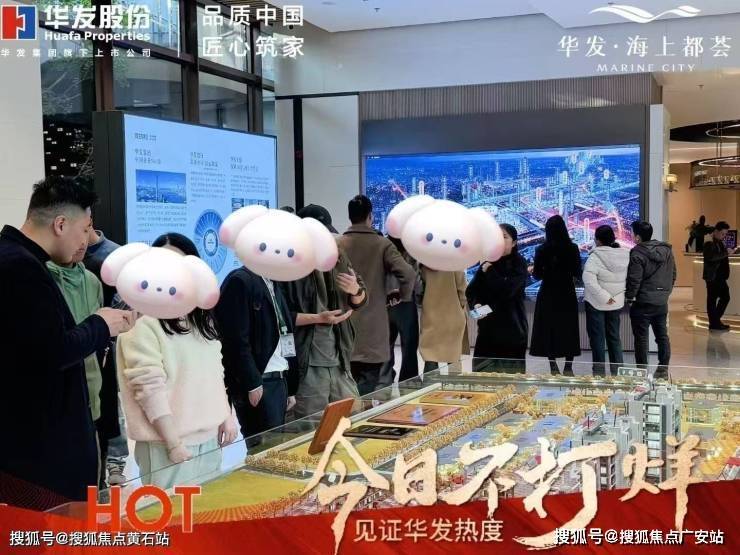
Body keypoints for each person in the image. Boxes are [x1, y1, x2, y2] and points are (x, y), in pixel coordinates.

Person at [0, 176, 133, 509]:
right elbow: (52, 350)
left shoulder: (19, 259)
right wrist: (100, 324)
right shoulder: (20, 267)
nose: (86, 240)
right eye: (84, 229)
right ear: (60, 224)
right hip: (40, 451)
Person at [116, 233, 237, 490]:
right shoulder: (143, 322)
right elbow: (149, 389)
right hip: (167, 446)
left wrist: (226, 415)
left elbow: (216, 372)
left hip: (208, 439)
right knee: (172, 513)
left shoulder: (200, 319)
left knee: (208, 510)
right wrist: (173, 443)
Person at [280, 205, 367, 418]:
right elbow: (281, 316)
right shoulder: (289, 264)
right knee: (310, 425)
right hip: (307, 361)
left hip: (340, 357)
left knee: (352, 417)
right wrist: (318, 318)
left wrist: (356, 291)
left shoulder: (338, 256)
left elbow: (361, 297)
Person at [47, 236, 109, 488]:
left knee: (89, 488)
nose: (83, 241)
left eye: (88, 229)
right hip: (54, 406)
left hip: (91, 400)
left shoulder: (92, 281)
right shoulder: (40, 279)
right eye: (80, 230)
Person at [215, 261, 299, 446]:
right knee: (264, 450)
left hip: (279, 379)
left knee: (276, 449)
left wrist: (291, 386)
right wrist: (252, 383)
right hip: (259, 383)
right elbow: (235, 338)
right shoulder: (240, 280)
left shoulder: (273, 282)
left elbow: (285, 330)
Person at [338, 195, 415, 394]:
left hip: (342, 326)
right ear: (370, 217)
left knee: (345, 386)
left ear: (349, 216)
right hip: (373, 328)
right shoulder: (382, 245)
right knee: (368, 384)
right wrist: (402, 296)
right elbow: (408, 274)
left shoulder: (337, 244)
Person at [83, 223, 128, 487]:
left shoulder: (114, 256)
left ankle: (115, 460)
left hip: (109, 342)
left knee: (110, 403)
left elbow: (124, 302)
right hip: (88, 345)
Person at [466, 223, 529, 373]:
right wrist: (476, 306)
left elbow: (508, 291)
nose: (500, 240)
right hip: (487, 329)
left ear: (514, 242)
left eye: (504, 236)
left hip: (512, 330)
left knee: (510, 378)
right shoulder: (488, 262)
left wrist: (490, 271)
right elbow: (471, 290)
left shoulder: (519, 263)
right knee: (482, 376)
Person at [530, 215, 582, 375]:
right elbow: (577, 272)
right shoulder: (572, 248)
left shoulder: (541, 249)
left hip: (548, 292)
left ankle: (553, 367)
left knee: (549, 329)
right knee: (569, 328)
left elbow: (537, 275)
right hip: (566, 292)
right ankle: (568, 367)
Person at [625, 221, 676, 376]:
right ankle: (663, 369)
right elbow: (673, 274)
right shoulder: (666, 250)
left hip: (642, 302)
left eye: (632, 232)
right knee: (662, 336)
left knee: (641, 338)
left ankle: (641, 371)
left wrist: (629, 297)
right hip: (661, 302)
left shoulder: (637, 253)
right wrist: (665, 293)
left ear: (638, 237)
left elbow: (634, 279)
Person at [582, 225, 630, 376]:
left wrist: (604, 297)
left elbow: (588, 281)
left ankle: (599, 374)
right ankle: (618, 373)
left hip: (596, 303)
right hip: (616, 303)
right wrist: (614, 297)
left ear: (597, 240)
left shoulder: (594, 257)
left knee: (597, 340)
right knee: (614, 338)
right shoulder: (625, 255)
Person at [380, 235, 422, 383]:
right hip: (406, 302)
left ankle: (384, 378)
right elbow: (416, 280)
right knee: (409, 343)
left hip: (385, 302)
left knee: (386, 343)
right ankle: (409, 379)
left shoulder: (383, 249)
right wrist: (419, 296)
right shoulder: (410, 253)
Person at [418, 267, 469, 372]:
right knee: (453, 355)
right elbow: (463, 290)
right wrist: (461, 305)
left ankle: (431, 381)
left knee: (430, 354)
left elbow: (419, 289)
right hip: (453, 314)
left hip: (430, 314)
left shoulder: (425, 264)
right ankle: (453, 381)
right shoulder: (454, 263)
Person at [703, 221, 738, 331]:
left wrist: (731, 252)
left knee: (724, 297)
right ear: (716, 231)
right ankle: (715, 323)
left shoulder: (719, 242)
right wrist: (727, 253)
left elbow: (721, 256)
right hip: (713, 277)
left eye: (725, 234)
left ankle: (715, 322)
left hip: (720, 277)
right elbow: (711, 257)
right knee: (713, 300)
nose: (724, 236)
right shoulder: (709, 242)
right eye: (723, 233)